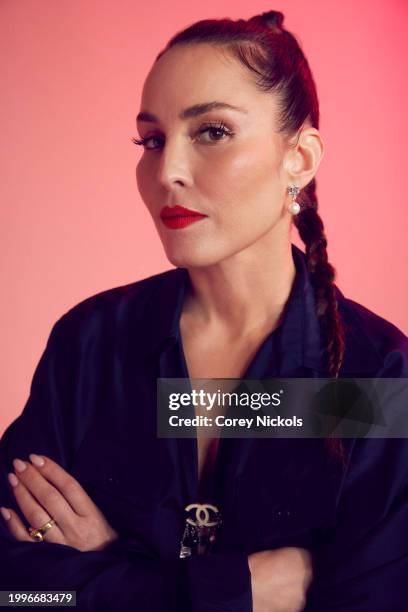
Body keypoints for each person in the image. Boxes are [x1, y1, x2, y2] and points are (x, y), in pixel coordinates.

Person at [1, 9, 408, 611]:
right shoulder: (90, 344)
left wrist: (111, 570)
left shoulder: (374, 378)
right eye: (151, 140)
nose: (167, 172)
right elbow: (21, 591)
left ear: (299, 158)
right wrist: (235, 590)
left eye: (212, 131)